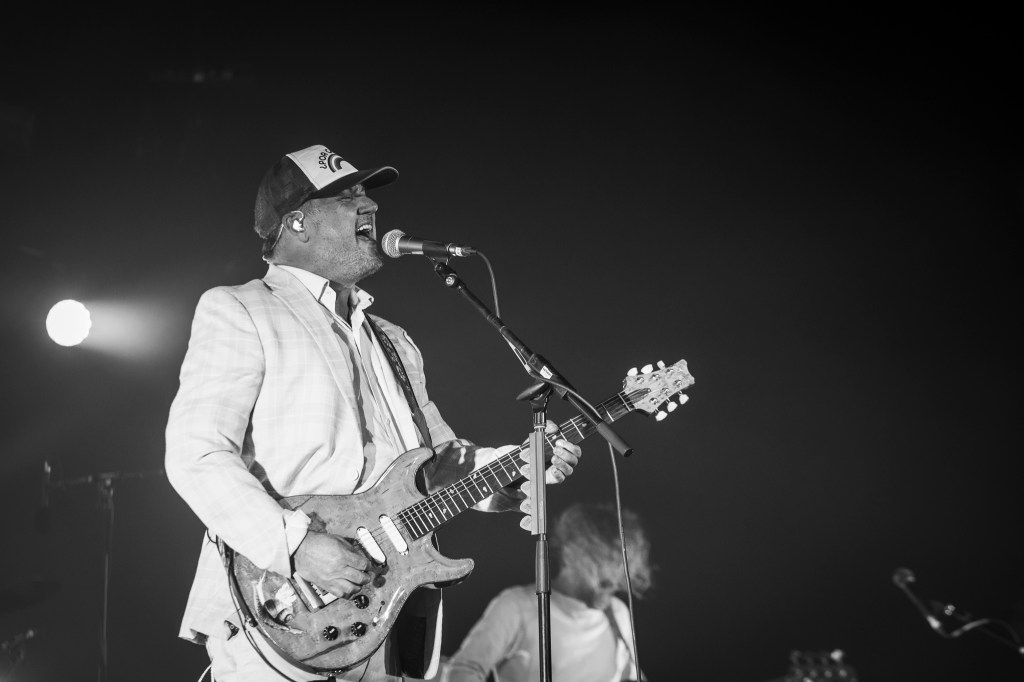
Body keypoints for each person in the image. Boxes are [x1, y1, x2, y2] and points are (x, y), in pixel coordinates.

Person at [164, 143, 583, 682]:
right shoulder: (241, 308)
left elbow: (441, 468)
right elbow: (196, 453)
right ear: (297, 222)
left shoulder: (395, 343)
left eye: (366, 192)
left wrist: (523, 468)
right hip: (285, 615)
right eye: (347, 195)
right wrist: (295, 546)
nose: (370, 206)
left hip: (390, 622)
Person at [443, 502, 652, 682]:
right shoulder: (516, 606)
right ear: (571, 554)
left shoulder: (617, 613)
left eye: (618, 568)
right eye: (602, 566)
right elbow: (463, 671)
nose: (613, 582)